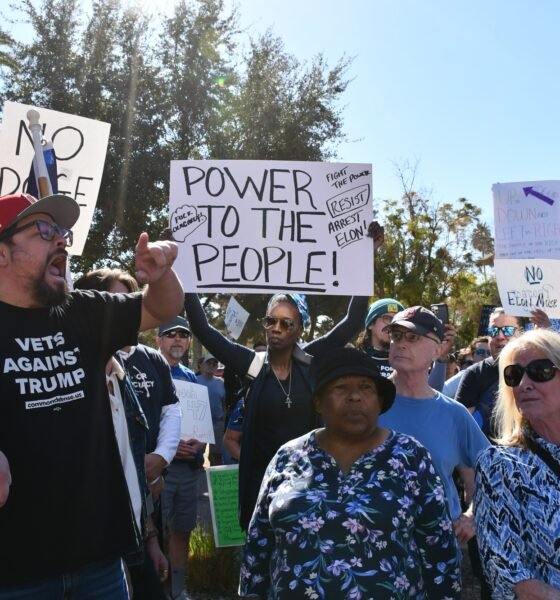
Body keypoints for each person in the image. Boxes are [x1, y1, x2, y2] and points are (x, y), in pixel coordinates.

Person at [0, 192, 183, 597]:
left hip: (100, 564)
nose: (62, 240)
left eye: (62, 231)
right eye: (44, 230)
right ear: (2, 254)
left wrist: (162, 273)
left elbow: (163, 308)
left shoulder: (85, 311)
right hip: (14, 573)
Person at [239, 347, 461, 599]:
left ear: (380, 402)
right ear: (319, 402)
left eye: (366, 388)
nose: (355, 396)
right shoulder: (288, 457)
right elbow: (258, 548)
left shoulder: (410, 457)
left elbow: (440, 553)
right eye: (340, 388)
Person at [184, 291, 369, 530]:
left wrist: (364, 260)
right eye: (270, 321)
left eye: (286, 323)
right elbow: (203, 329)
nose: (276, 328)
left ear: (300, 328)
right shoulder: (252, 365)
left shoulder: (311, 361)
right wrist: (185, 279)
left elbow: (352, 322)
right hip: (261, 486)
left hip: (307, 485)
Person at [377, 306, 490, 544]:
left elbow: (484, 477)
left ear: (438, 349)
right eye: (396, 336)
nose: (401, 344)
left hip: (437, 548)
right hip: (374, 547)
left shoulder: (454, 414)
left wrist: (471, 515)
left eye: (413, 337)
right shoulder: (366, 405)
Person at [474, 328, 560, 599]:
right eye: (514, 375)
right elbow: (510, 575)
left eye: (540, 370)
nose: (524, 384)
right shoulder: (499, 465)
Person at [156, 316, 204, 600]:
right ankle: (155, 589)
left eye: (183, 335)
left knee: (181, 531)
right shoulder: (147, 369)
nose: (177, 339)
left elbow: (201, 425)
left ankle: (177, 590)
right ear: (159, 340)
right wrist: (169, 449)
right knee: (153, 533)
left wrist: (200, 443)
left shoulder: (190, 377)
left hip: (187, 469)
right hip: (159, 470)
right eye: (170, 334)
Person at [456, 308, 525, 435]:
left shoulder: (534, 371)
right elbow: (461, 430)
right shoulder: (474, 374)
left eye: (507, 330)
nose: (500, 336)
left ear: (520, 334)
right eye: (493, 331)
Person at [355, 297, 404, 377]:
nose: (392, 324)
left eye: (398, 320)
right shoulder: (354, 360)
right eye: (387, 318)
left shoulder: (409, 362)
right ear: (370, 324)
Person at [196, 353, 226, 465]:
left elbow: (223, 403)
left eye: (214, 363)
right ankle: (199, 479)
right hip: (199, 425)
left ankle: (215, 479)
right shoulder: (194, 380)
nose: (212, 365)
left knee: (217, 455)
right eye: (208, 363)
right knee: (198, 455)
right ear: (200, 365)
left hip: (217, 424)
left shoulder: (221, 382)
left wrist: (223, 421)